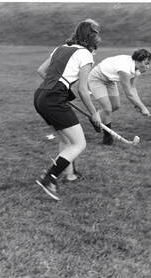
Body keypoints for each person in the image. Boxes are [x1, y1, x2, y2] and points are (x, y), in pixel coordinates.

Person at [34, 19, 102, 201]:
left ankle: (70, 174)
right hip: (54, 98)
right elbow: (82, 89)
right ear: (91, 36)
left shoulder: (61, 48)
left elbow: (41, 71)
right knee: (79, 144)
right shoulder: (86, 55)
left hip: (40, 96)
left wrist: (61, 90)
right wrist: (94, 113)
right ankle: (49, 177)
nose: (99, 37)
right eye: (97, 33)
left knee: (66, 139)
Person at [87, 49, 151, 145]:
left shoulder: (137, 70)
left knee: (116, 105)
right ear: (138, 61)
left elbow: (133, 89)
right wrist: (143, 108)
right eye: (146, 63)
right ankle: (107, 138)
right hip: (97, 78)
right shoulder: (125, 70)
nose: (148, 67)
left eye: (149, 64)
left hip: (109, 80)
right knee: (108, 109)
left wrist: (139, 105)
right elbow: (129, 94)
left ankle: (94, 117)